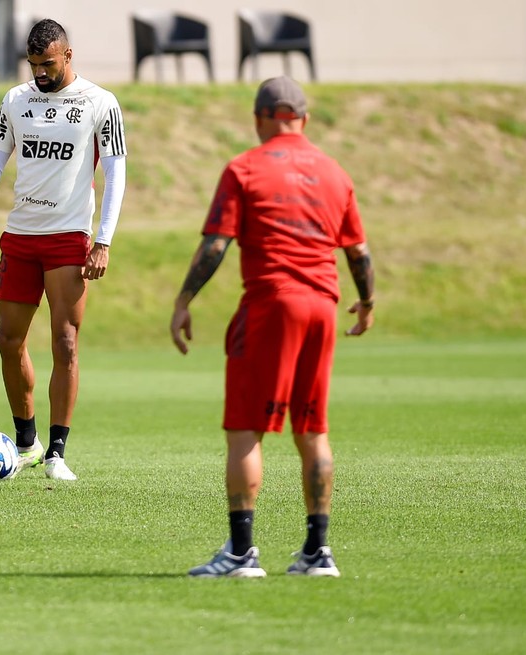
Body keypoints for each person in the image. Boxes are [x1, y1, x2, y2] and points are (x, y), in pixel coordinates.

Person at [169, 76, 375, 577]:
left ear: (260, 117)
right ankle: (317, 553)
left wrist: (183, 300)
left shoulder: (244, 169)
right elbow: (358, 251)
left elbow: (216, 246)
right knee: (313, 431)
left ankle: (241, 554)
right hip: (323, 306)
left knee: (245, 431)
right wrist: (367, 301)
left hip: (270, 307)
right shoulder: (334, 171)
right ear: (304, 118)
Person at [0, 19, 127, 481]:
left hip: (69, 238)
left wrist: (104, 239)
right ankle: (26, 442)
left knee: (66, 343)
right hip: (21, 235)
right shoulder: (16, 100)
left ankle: (57, 451)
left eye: (47, 64)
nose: (40, 73)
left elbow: (115, 174)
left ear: (68, 55)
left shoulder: (100, 103)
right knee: (8, 340)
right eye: (33, 65)